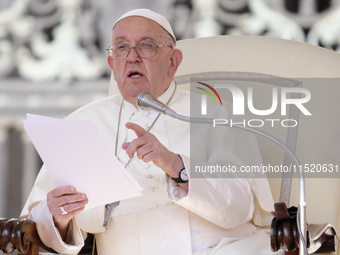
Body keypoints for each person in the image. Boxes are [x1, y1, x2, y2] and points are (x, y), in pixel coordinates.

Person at [21, 8, 282, 255]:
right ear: (112, 64)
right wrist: (58, 218)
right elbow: (38, 220)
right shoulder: (82, 122)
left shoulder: (215, 112)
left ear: (173, 61)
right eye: (122, 48)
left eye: (146, 45)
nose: (132, 56)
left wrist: (175, 164)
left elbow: (240, 207)